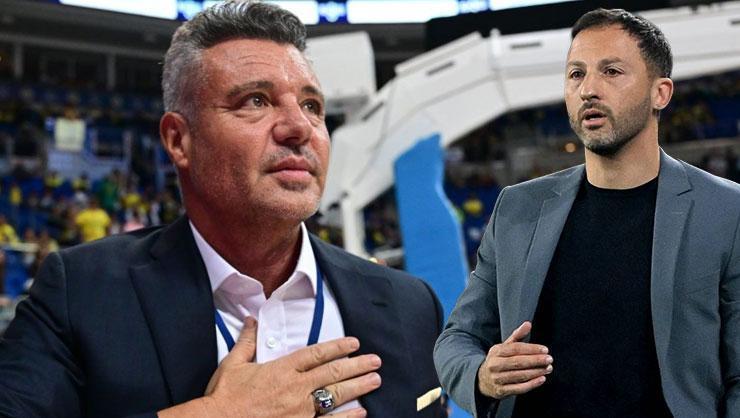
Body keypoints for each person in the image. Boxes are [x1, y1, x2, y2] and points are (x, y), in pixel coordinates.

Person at [0, 2, 445, 417]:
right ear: (179, 140)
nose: (299, 127)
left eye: (312, 106)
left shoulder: (411, 304)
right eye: (256, 101)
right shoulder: (80, 293)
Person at [434, 8, 740, 418]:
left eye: (611, 71)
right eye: (576, 74)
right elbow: (457, 338)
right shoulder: (517, 209)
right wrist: (481, 376)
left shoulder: (726, 211)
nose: (588, 90)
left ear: (661, 93)